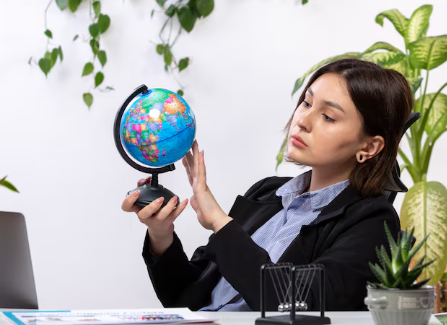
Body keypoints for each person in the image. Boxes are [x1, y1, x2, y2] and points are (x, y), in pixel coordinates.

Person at [121, 58, 414, 311]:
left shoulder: (372, 222)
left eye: (328, 116)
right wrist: (161, 235)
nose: (302, 120)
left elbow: (296, 303)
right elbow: (186, 298)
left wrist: (219, 222)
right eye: (306, 103)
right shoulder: (267, 193)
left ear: (370, 146)